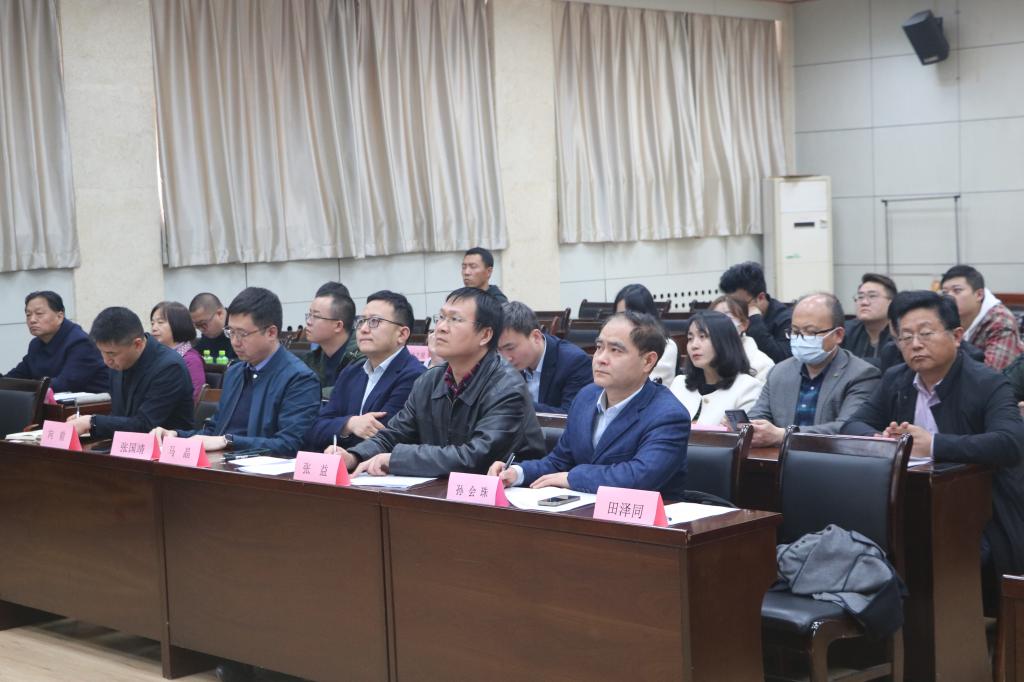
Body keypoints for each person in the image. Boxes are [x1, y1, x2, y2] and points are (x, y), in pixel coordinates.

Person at [842, 290, 1024, 578]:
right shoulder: (897, 379)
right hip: (909, 503)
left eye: (926, 334)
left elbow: (1010, 442)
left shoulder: (988, 383)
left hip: (980, 513)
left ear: (957, 336)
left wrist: (934, 445)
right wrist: (885, 441)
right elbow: (853, 424)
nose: (915, 344)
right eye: (905, 337)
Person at [335, 287, 545, 477]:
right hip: (442, 490)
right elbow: (395, 434)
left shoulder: (507, 386)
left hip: (508, 496)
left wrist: (396, 459)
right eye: (441, 318)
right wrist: (354, 456)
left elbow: (476, 457)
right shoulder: (429, 380)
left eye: (455, 320)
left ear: (485, 335)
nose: (441, 328)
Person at [488, 311, 690, 498]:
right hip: (585, 511)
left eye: (615, 350)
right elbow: (559, 460)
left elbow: (638, 476)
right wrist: (517, 472)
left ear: (648, 361)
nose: (600, 358)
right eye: (600, 347)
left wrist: (572, 478)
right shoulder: (586, 397)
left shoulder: (668, 415)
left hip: (644, 520)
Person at [153, 287, 321, 455]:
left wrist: (228, 441)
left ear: (271, 332)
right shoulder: (235, 373)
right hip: (223, 463)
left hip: (260, 470)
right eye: (231, 332)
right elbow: (215, 431)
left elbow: (289, 445)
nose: (234, 341)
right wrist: (176, 435)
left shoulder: (299, 379)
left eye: (242, 334)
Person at [745, 293, 880, 447]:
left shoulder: (862, 375)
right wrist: (745, 425)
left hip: (830, 458)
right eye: (795, 331)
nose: (800, 338)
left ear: (838, 335)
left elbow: (848, 429)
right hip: (779, 459)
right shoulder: (779, 371)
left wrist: (783, 435)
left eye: (810, 332)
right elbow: (759, 415)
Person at [307, 291, 426, 451]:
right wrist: (350, 424)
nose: (363, 329)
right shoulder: (352, 372)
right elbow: (315, 429)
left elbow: (383, 435)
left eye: (374, 321)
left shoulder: (414, 376)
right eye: (361, 321)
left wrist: (341, 434)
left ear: (402, 334)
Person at [66, 307, 193, 438]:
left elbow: (145, 426)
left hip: (165, 447)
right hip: (125, 444)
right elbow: (120, 416)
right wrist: (87, 423)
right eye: (101, 352)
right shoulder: (119, 363)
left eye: (111, 353)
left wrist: (92, 422)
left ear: (137, 344)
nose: (106, 361)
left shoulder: (169, 367)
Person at [496, 301, 591, 414]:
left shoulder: (574, 362)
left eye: (510, 348)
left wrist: (516, 404)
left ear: (536, 337)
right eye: (498, 350)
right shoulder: (498, 362)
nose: (506, 358)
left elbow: (571, 416)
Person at [5, 291, 110, 393]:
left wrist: (26, 387)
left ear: (59, 316)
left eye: (39, 314)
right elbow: (17, 375)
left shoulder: (81, 342)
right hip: (54, 402)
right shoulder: (35, 344)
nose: (32, 320)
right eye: (28, 315)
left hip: (96, 403)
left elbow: (64, 384)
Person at [670, 311, 762, 427]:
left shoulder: (747, 388)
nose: (694, 345)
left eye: (702, 337)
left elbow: (746, 435)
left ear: (724, 341)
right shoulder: (679, 384)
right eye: (690, 338)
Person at [940, 264, 1023, 370]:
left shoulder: (1001, 321)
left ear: (979, 295)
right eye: (945, 292)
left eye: (957, 290)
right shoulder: (944, 316)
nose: (949, 297)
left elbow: (992, 372)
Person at [719, 261, 792, 362]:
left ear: (760, 297)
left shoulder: (786, 319)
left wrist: (755, 319)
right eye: (730, 302)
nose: (735, 308)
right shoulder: (733, 317)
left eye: (740, 303)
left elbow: (780, 359)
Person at [303, 281, 363, 396]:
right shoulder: (311, 359)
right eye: (309, 315)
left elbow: (350, 391)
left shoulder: (362, 357)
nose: (308, 322)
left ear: (338, 325)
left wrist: (308, 394)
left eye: (316, 316)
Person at [613, 283, 677, 386]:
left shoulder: (667, 346)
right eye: (619, 315)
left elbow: (639, 384)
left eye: (629, 315)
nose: (623, 320)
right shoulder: (612, 343)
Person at [710, 294, 774, 382]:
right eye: (714, 318)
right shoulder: (705, 359)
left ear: (744, 324)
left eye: (726, 317)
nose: (719, 324)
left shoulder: (763, 364)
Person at [151, 301, 205, 401]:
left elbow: (193, 399)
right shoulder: (155, 357)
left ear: (178, 324)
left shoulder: (191, 360)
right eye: (152, 323)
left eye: (160, 322)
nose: (154, 328)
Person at [842, 273, 897, 366]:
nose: (864, 302)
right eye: (860, 297)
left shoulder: (900, 333)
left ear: (891, 303)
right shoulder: (845, 332)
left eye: (872, 296)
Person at [188, 293, 237, 362]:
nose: (201, 330)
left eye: (203, 324)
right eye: (196, 326)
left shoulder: (240, 328)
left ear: (219, 314)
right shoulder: (207, 335)